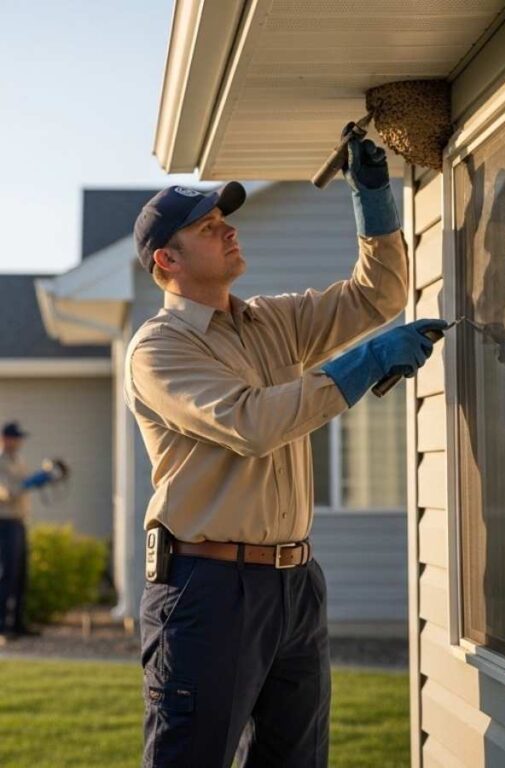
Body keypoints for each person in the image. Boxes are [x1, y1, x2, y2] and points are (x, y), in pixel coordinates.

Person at [125, 128, 443, 767]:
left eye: (223, 220)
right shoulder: (159, 350)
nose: (227, 230)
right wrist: (367, 361)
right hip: (206, 587)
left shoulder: (270, 321)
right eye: (209, 226)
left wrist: (374, 200)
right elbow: (253, 423)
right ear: (167, 260)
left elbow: (376, 296)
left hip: (295, 583)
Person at [0, 421, 56, 639]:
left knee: (21, 575)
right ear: (6, 438)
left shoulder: (17, 460)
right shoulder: (1, 461)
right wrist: (31, 482)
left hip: (19, 521)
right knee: (6, 574)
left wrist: (43, 478)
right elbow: (7, 491)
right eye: (16, 437)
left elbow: (23, 483)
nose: (19, 442)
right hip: (5, 523)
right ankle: (3, 626)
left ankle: (18, 624)